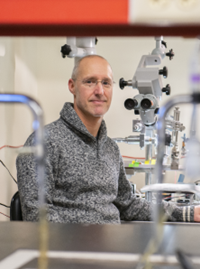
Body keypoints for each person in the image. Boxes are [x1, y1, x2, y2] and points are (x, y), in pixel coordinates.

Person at [16, 55, 200, 224]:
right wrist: (89, 241)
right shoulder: (43, 142)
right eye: (90, 82)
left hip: (111, 247)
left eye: (106, 83)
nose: (99, 91)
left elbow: (128, 205)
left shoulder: (110, 148)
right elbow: (37, 215)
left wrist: (187, 213)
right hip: (71, 252)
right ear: (72, 86)